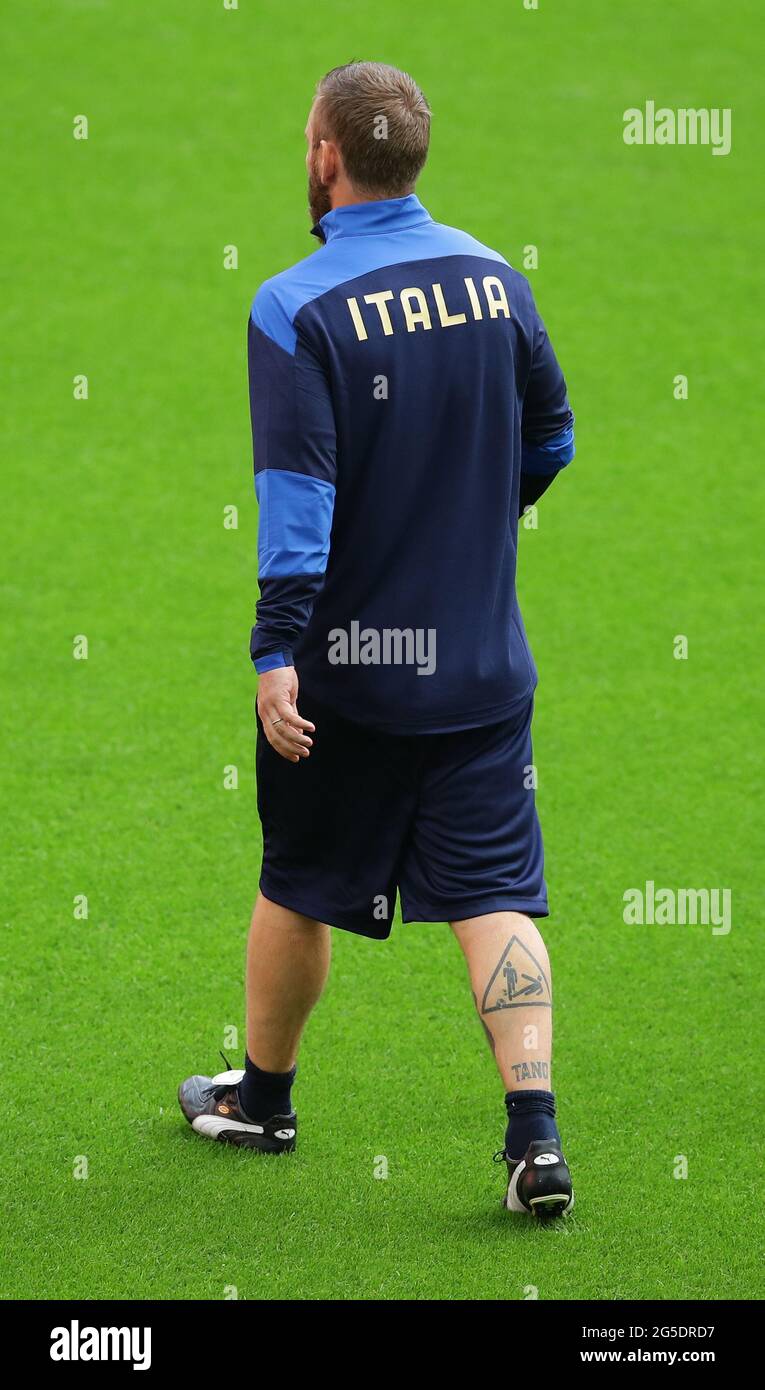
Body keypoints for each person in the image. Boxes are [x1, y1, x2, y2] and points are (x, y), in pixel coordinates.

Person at [179, 61, 576, 1217]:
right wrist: (473, 522)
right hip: (485, 670)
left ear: (324, 155)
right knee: (497, 892)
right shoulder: (498, 281)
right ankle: (536, 1142)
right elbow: (551, 437)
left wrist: (274, 649)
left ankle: (262, 1098)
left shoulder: (293, 306)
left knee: (298, 882)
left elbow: (297, 507)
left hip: (350, 679)